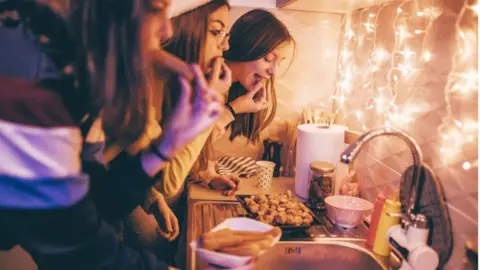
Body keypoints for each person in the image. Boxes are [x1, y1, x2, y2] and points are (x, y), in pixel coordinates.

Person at [0, 0, 222, 269]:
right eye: (155, 9)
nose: (167, 31)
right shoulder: (24, 62)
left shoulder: (72, 71)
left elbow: (96, 202)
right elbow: (79, 251)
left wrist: (166, 145)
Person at [193, 9, 295, 194]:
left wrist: (210, 176)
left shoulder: (228, 88)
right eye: (268, 59)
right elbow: (190, 141)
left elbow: (196, 152)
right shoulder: (207, 82)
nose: (273, 71)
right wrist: (233, 110)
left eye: (277, 63)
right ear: (248, 47)